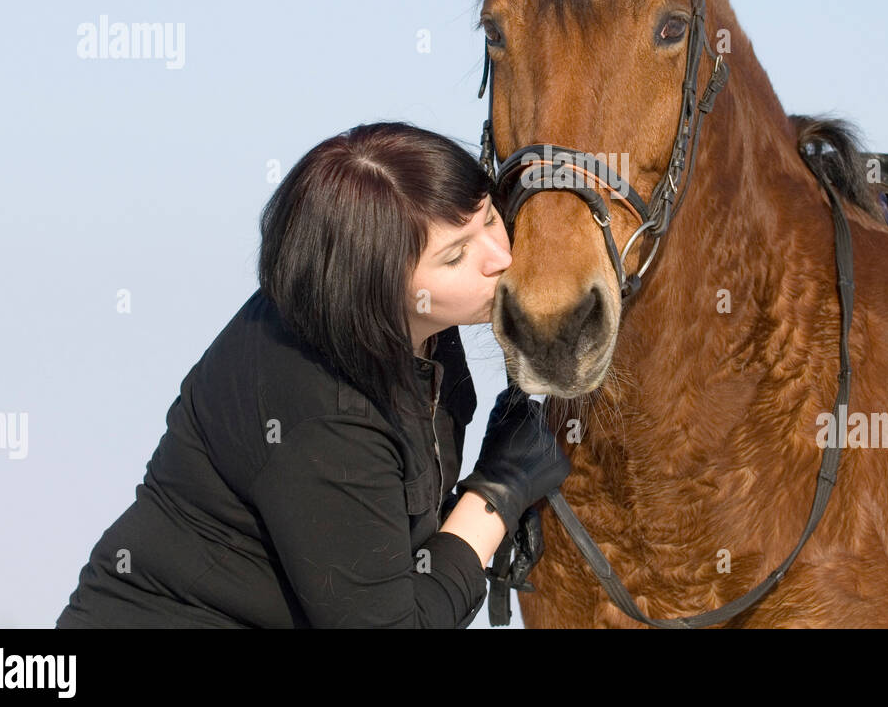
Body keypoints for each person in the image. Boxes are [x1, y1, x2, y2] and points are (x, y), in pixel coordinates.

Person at [55, 121, 570, 628]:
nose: (501, 257)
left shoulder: (401, 319)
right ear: (377, 285)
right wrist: (496, 493)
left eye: (488, 217)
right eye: (456, 256)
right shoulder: (327, 411)